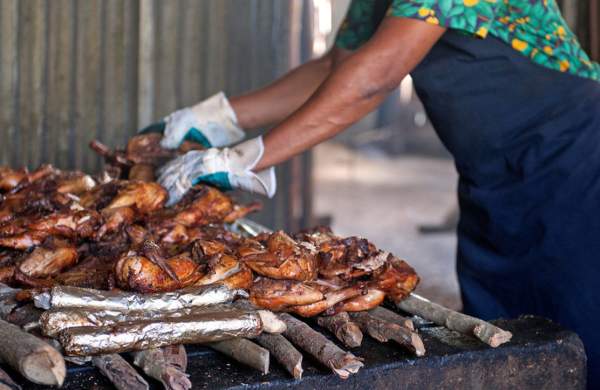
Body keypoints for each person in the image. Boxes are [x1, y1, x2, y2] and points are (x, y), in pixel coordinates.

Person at [142, 1, 600, 386]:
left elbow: (374, 77)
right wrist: (217, 118)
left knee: (580, 331)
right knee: (507, 341)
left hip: (575, 160)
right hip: (493, 178)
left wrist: (249, 157)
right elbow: (336, 68)